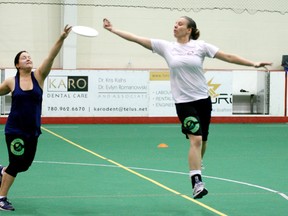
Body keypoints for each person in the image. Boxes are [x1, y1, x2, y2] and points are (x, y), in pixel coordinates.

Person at [103, 16, 272, 199]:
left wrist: (253, 63)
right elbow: (136, 38)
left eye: (180, 24)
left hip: (203, 100)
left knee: (203, 141)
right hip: (183, 102)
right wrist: (113, 30)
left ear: (189, 29)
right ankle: (197, 182)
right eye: (174, 23)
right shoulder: (166, 47)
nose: (175, 26)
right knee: (196, 140)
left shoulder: (201, 47)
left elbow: (228, 56)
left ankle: (198, 163)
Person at [0, 25, 72, 211]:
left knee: (24, 165)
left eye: (29, 56)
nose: (28, 58)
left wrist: (62, 38)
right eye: (24, 57)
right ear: (17, 64)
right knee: (16, 164)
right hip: (14, 130)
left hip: (32, 131)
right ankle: (1, 198)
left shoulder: (39, 76)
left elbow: (51, 56)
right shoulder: (11, 81)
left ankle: (1, 171)